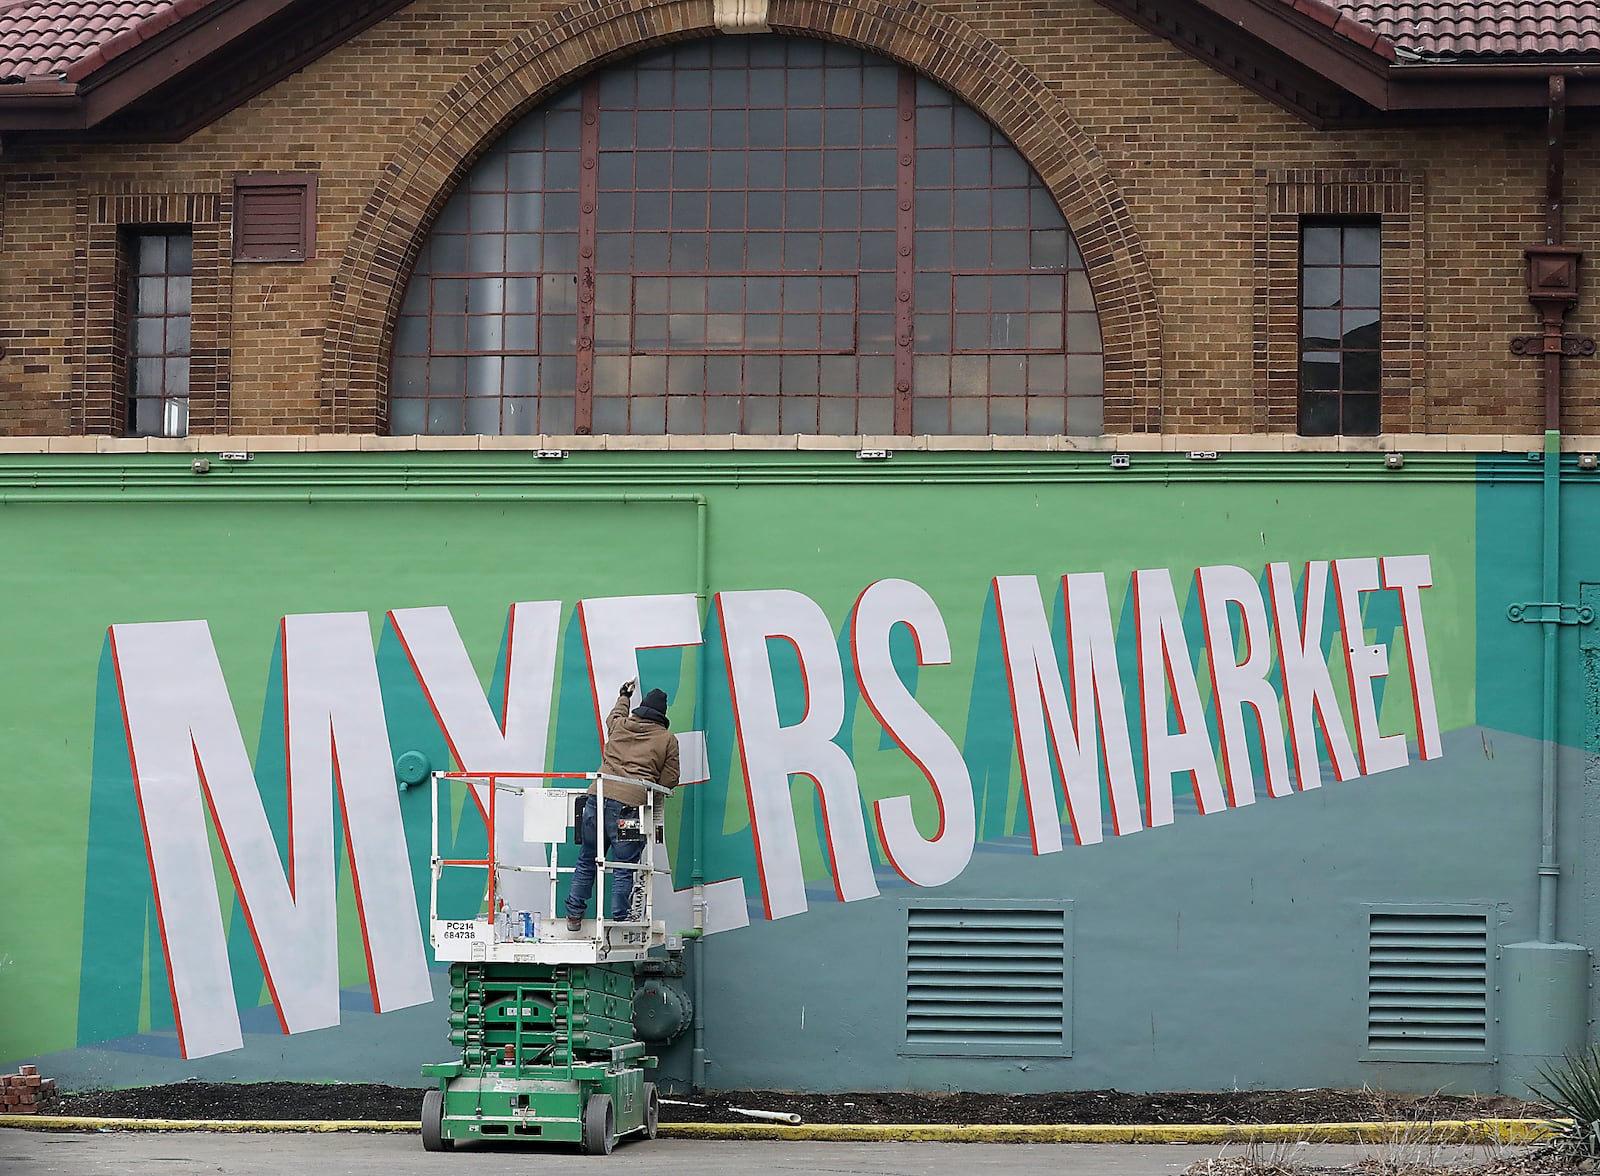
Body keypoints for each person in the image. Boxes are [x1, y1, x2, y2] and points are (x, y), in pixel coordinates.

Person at [565, 679, 680, 930]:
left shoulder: (620, 725)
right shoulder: (667, 739)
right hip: (630, 808)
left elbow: (613, 716)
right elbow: (670, 779)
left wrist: (624, 696)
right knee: (623, 866)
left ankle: (574, 916)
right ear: (662, 715)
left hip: (597, 799)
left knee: (587, 858)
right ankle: (620, 920)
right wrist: (648, 788)